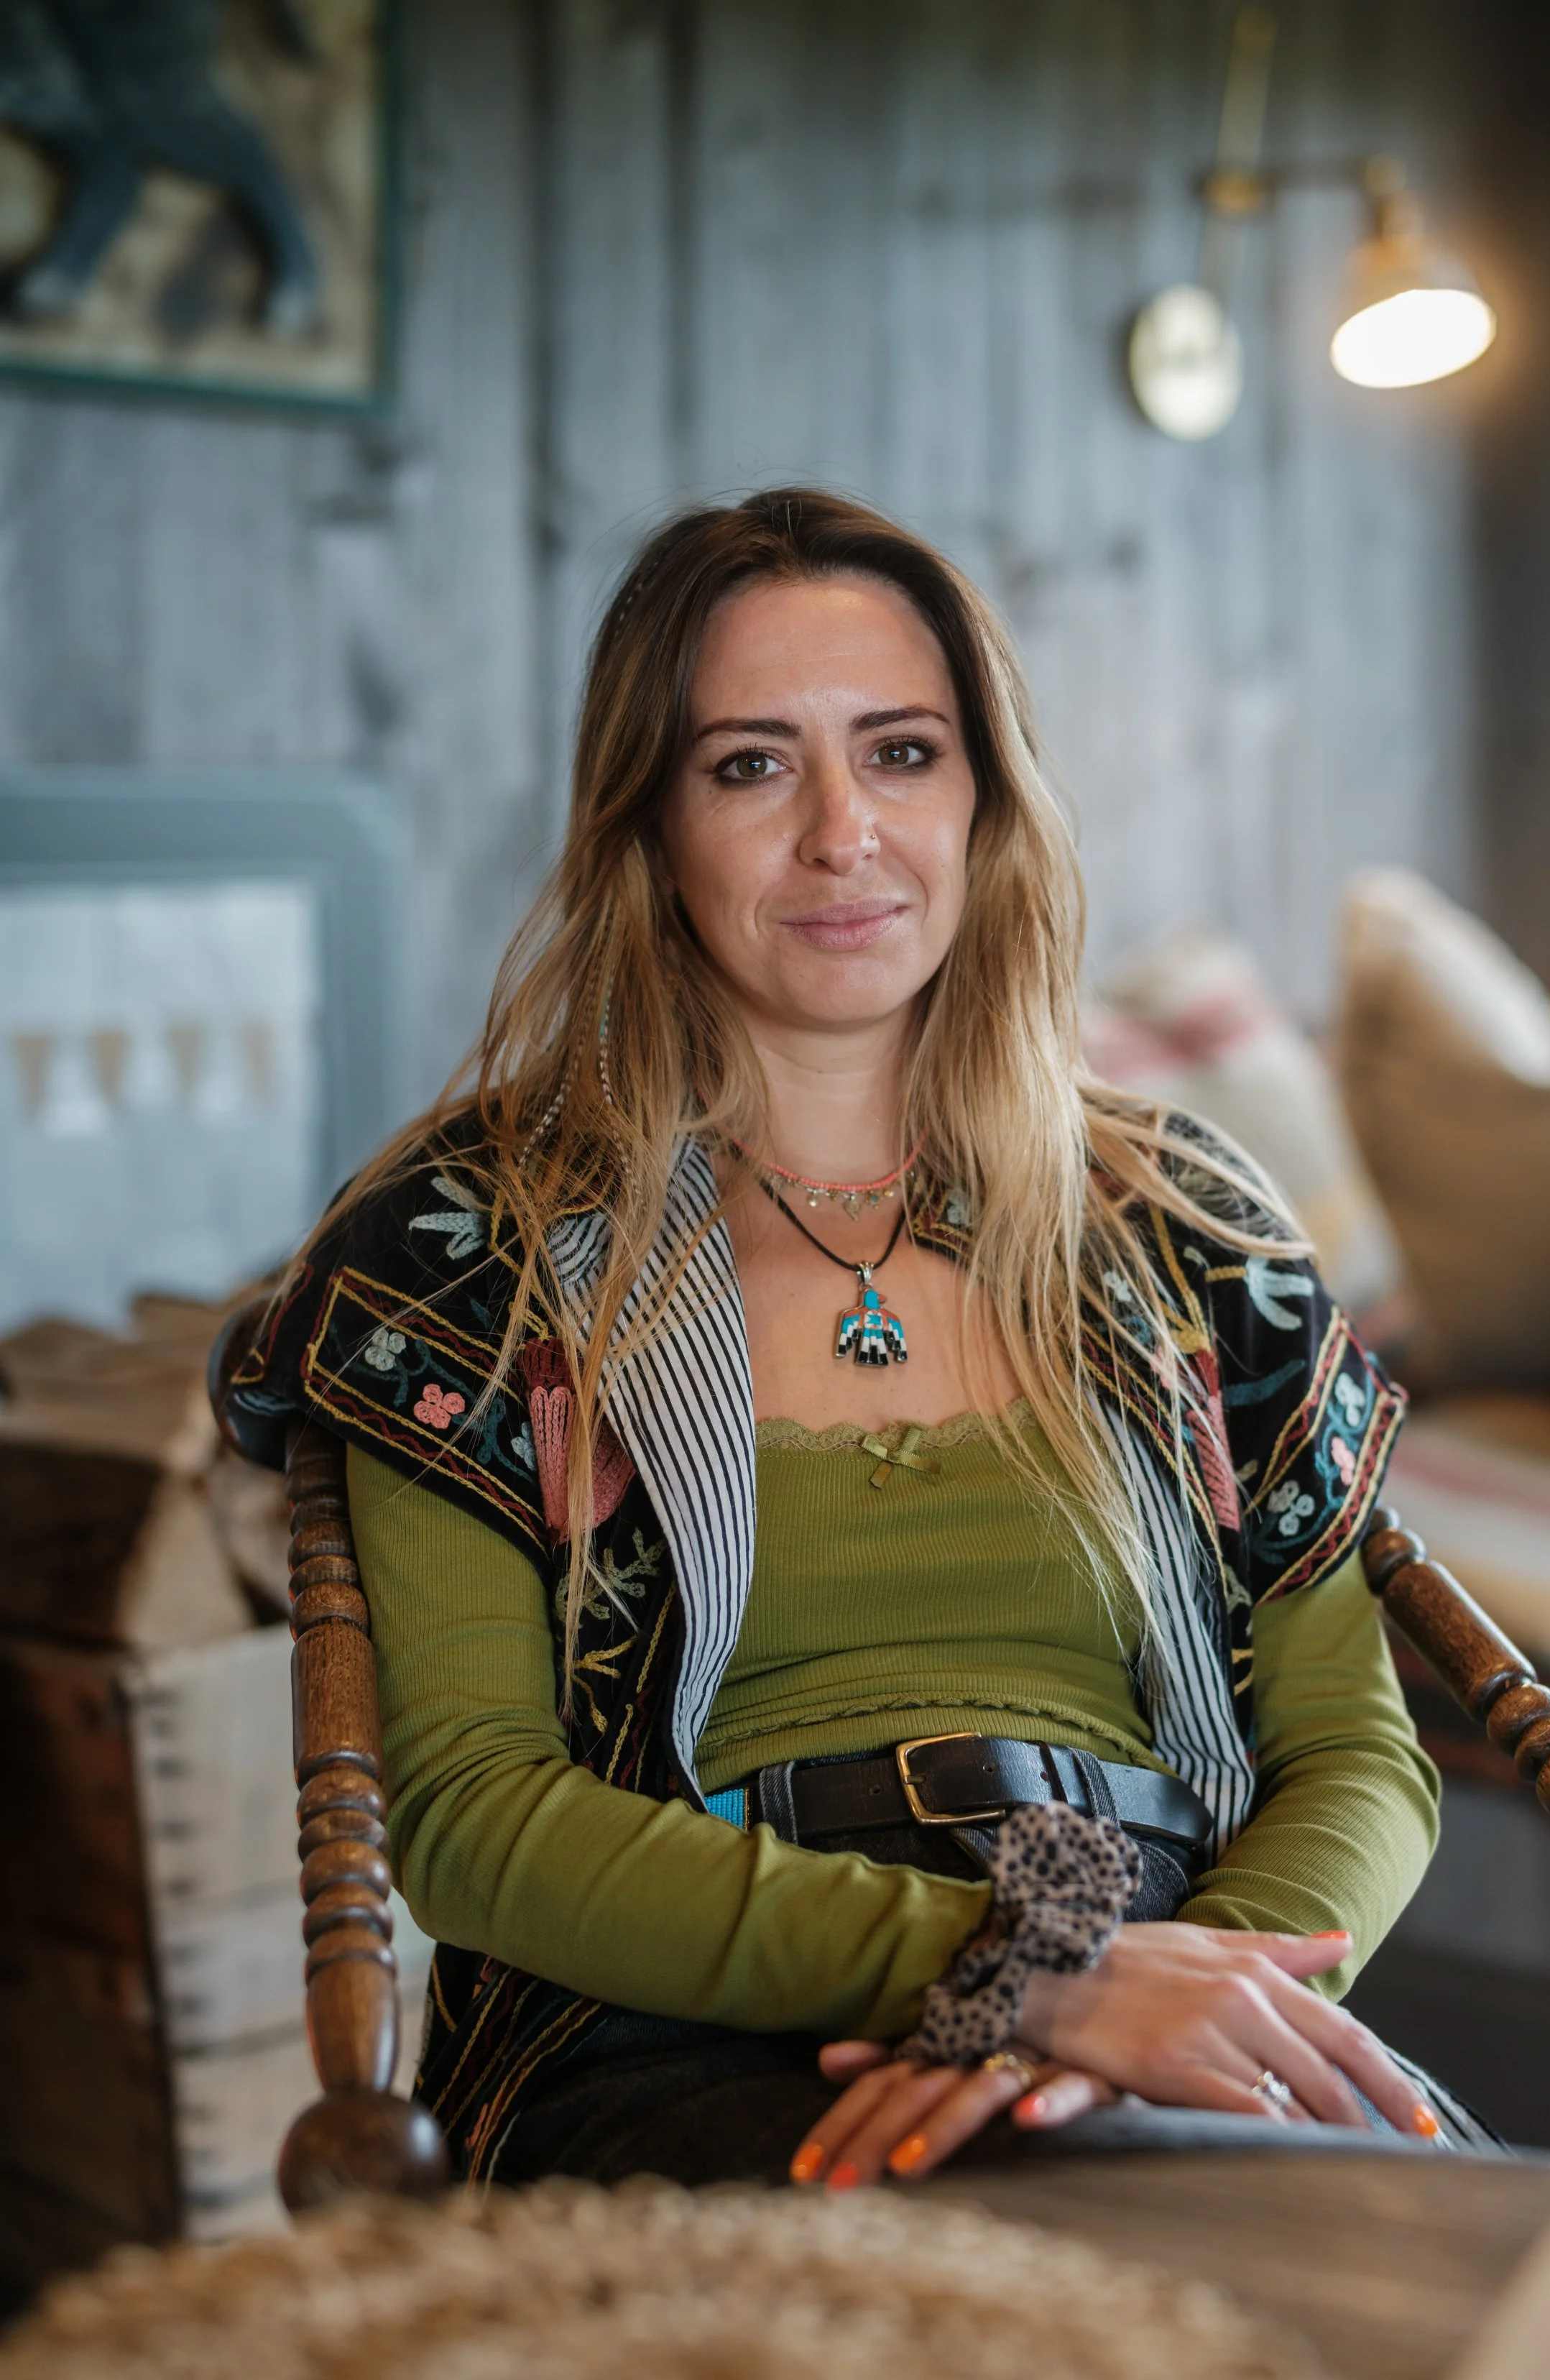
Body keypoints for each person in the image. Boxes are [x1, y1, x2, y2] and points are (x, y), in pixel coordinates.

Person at [227, 487, 1465, 2194]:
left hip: (1185, 1985)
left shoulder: (1185, 1226)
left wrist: (1175, 2003)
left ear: (983, 799)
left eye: (900, 753)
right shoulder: (465, 1245)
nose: (840, 832)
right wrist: (1025, 1978)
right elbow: (475, 1819)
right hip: (694, 2027)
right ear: (649, 824)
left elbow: (1354, 1754)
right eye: (750, 765)